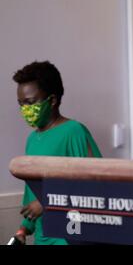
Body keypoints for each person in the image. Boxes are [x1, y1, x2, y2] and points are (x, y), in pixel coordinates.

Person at [12, 61, 102, 245]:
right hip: (41, 238)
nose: (24, 109)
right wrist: (23, 229)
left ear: (52, 100)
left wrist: (47, 202)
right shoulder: (31, 140)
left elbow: (96, 183)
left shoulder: (74, 131)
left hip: (69, 237)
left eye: (30, 102)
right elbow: (32, 194)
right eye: (20, 104)